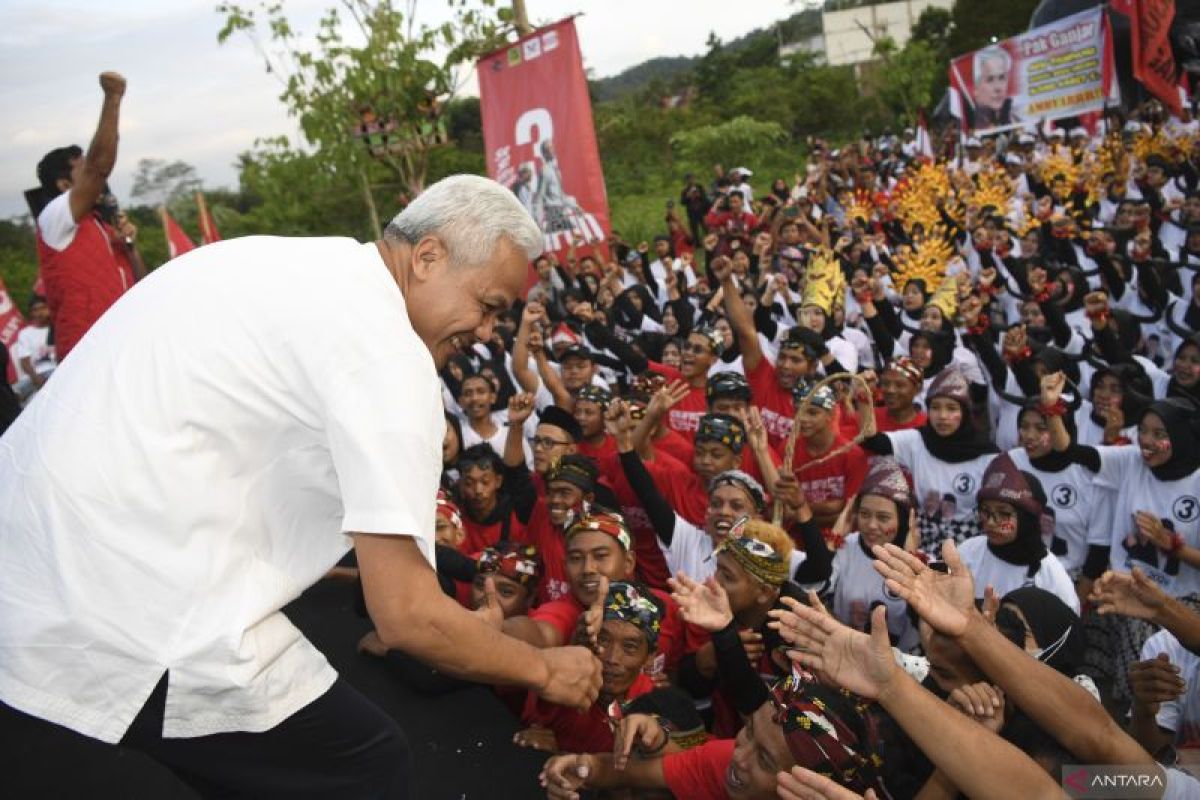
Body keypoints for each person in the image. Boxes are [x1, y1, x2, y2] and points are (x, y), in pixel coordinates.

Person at [0, 174, 602, 797]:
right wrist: (544, 668)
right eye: (489, 305)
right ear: (427, 257)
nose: (485, 333)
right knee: (363, 765)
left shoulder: (294, 261)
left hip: (30, 553)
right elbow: (407, 619)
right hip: (125, 597)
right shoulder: (388, 355)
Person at [34, 72, 144, 361]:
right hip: (87, 354)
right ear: (64, 185)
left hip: (126, 344)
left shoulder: (102, 226)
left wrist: (130, 247)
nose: (94, 174)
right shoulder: (54, 218)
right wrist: (113, 99)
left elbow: (141, 282)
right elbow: (99, 168)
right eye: (82, 169)